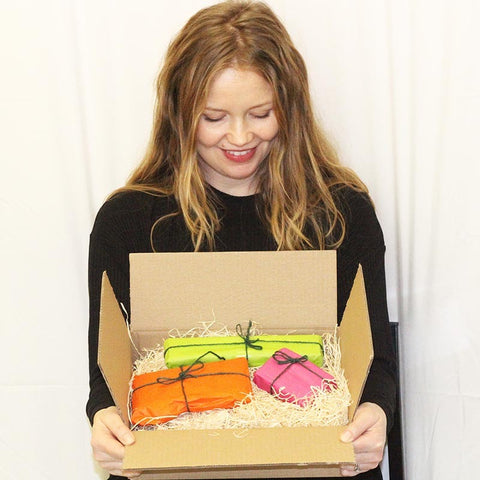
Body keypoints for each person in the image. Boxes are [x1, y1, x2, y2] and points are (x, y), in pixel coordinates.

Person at [86, 1, 397, 479]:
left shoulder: (340, 213)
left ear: (289, 107)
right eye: (213, 117)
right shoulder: (129, 223)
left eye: (260, 113)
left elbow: (376, 363)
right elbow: (107, 382)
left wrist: (375, 411)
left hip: (315, 462)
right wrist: (106, 422)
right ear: (179, 113)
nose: (238, 136)